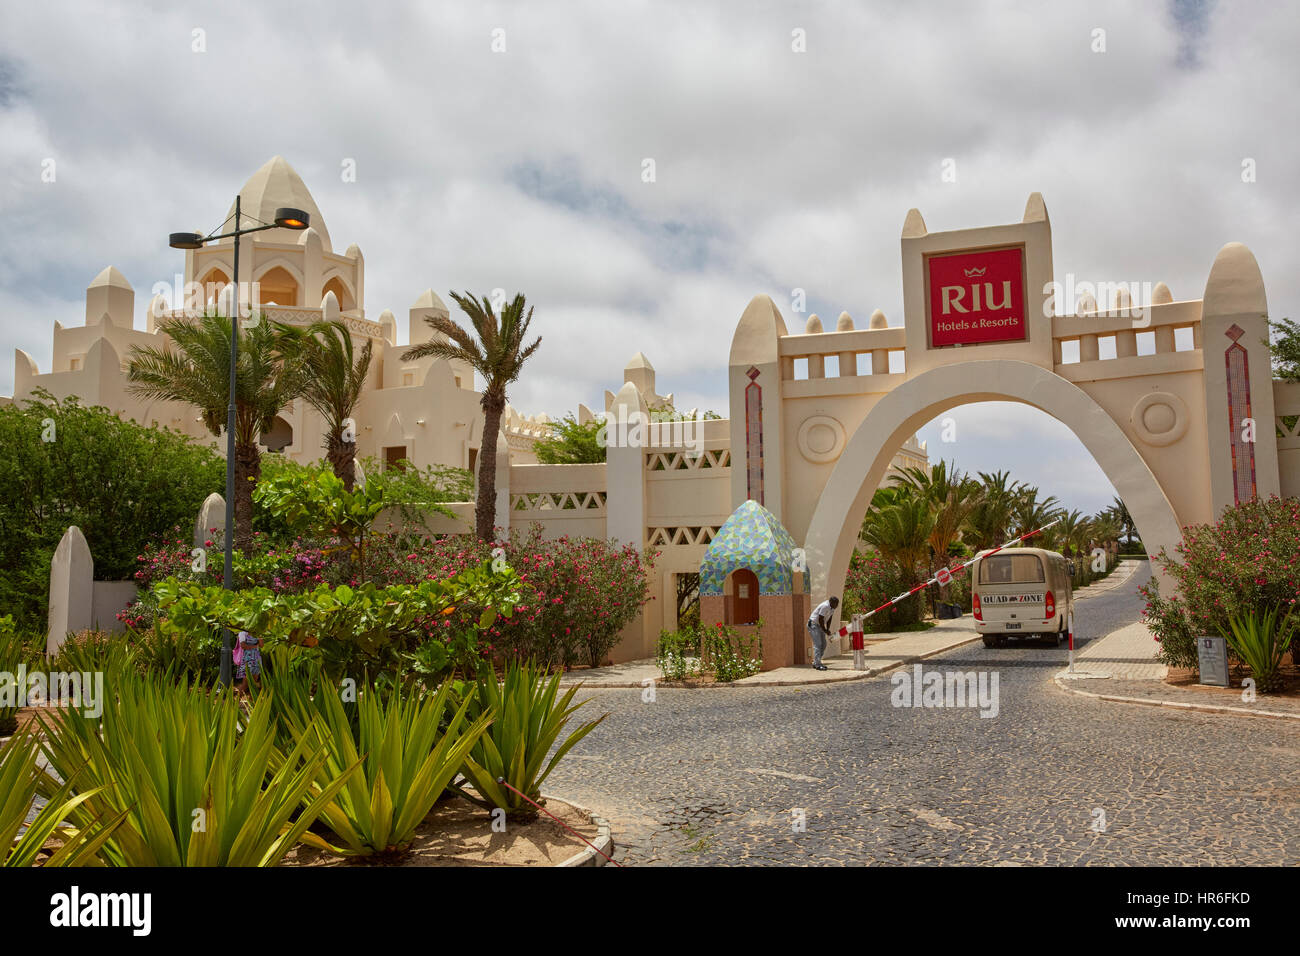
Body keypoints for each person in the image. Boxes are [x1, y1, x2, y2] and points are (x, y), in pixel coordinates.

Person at [807, 596, 839, 671]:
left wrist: (828, 629)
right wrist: (825, 630)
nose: (837, 605)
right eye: (836, 604)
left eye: (837, 604)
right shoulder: (825, 606)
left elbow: (829, 618)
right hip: (813, 625)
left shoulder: (832, 608)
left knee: (824, 644)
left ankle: (816, 662)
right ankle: (818, 664)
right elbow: (820, 618)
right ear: (831, 602)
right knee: (818, 644)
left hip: (820, 625)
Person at [234, 629, 263, 695]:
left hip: (256, 658)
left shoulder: (257, 632)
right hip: (247, 658)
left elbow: (261, 645)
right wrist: (255, 646)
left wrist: (260, 636)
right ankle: (236, 701)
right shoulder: (242, 632)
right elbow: (243, 646)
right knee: (246, 682)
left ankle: (252, 701)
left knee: (254, 681)